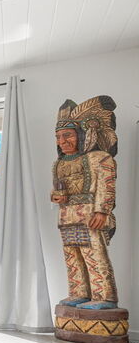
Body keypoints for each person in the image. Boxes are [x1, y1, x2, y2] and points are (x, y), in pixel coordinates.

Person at [51, 96, 119, 310]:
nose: (62, 141)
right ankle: (79, 292)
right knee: (72, 257)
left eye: (67, 135)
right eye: (59, 137)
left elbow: (106, 186)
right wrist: (55, 197)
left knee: (94, 254)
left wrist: (102, 211)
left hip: (90, 215)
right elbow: (57, 189)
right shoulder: (59, 163)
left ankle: (104, 296)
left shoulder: (100, 158)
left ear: (83, 134)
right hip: (67, 217)